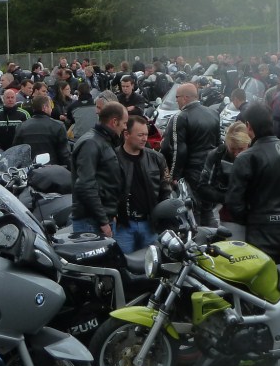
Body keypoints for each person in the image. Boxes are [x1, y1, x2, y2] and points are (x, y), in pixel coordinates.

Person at [224, 104, 280, 263]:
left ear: (249, 126)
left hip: (260, 232)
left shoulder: (246, 158)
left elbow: (234, 202)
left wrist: (250, 219)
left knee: (260, 282)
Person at [161, 83, 221, 227]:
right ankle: (212, 239)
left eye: (177, 97)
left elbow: (178, 149)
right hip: (211, 170)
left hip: (192, 171)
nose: (176, 101)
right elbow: (219, 145)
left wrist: (174, 175)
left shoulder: (180, 117)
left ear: (185, 98)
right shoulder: (214, 114)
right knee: (208, 208)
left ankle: (197, 243)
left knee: (193, 210)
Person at [112, 115, 172, 253]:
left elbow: (166, 189)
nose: (145, 138)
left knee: (152, 266)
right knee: (124, 266)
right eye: (140, 135)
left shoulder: (157, 158)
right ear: (126, 134)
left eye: (146, 134)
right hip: (123, 225)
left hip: (150, 224)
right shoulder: (112, 158)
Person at [70, 102, 127, 236]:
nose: (125, 127)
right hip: (91, 221)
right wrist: (103, 221)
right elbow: (85, 185)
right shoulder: (91, 143)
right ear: (114, 122)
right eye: (124, 123)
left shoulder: (103, 141)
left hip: (100, 217)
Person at [196, 122, 252, 222]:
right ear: (227, 144)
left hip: (254, 212)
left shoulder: (257, 155)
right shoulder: (217, 155)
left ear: (248, 143)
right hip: (227, 212)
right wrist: (228, 198)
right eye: (233, 149)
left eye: (240, 149)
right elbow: (203, 187)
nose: (236, 154)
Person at [13, 95, 71, 168]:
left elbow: (16, 153)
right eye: (50, 106)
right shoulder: (58, 126)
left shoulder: (21, 127)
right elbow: (64, 154)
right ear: (44, 107)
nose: (51, 109)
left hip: (28, 171)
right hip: (52, 170)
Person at [0, 88, 30, 152]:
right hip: (1, 150)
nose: (10, 100)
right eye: (8, 97)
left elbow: (28, 133)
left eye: (12, 97)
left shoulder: (24, 114)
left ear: (15, 99)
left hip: (19, 150)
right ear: (3, 99)